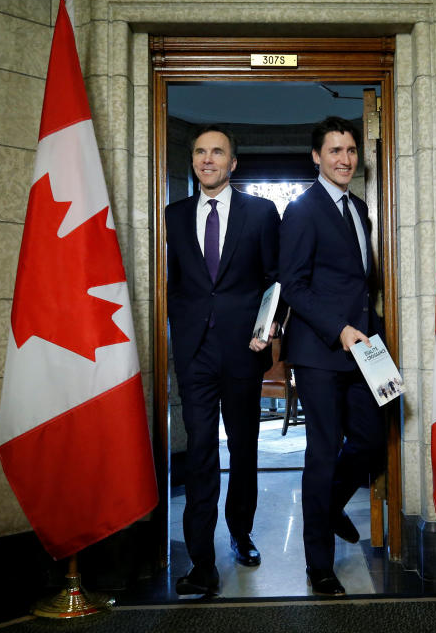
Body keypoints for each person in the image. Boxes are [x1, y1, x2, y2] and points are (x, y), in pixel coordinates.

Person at [166, 124, 280, 596]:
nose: (207, 159)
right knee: (199, 454)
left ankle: (240, 532)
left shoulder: (261, 212)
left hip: (242, 351)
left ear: (234, 163)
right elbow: (174, 283)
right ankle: (201, 563)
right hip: (194, 352)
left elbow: (275, 279)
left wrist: (270, 326)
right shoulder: (173, 216)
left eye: (217, 152)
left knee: (244, 447)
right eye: (199, 152)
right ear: (193, 161)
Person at [278, 116, 386, 596]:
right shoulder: (302, 210)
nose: (345, 159)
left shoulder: (360, 208)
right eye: (335, 150)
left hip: (365, 349)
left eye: (350, 150)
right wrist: (338, 329)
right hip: (320, 351)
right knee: (322, 452)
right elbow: (294, 287)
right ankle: (318, 565)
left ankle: (330, 504)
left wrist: (366, 333)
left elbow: (362, 283)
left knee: (369, 439)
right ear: (316, 157)